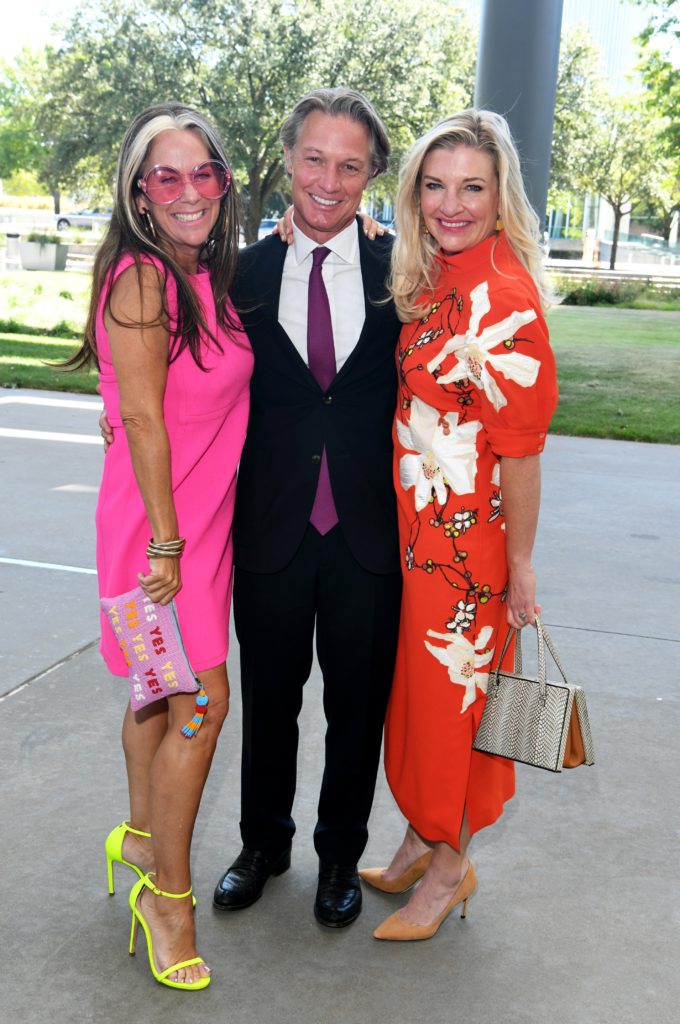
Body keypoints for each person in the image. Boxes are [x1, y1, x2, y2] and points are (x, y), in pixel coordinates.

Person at [358, 109, 558, 940]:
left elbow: (522, 455)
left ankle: (450, 866)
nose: (451, 204)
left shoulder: (504, 300)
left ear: (500, 193)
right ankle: (421, 835)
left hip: (470, 555)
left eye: (472, 187)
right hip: (421, 539)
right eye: (434, 186)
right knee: (420, 703)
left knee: (455, 713)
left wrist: (521, 566)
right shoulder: (434, 273)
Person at [212, 88, 403, 928]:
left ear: (372, 175)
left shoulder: (405, 271)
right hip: (272, 530)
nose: (328, 181)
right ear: (288, 157)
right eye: (314, 159)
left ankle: (339, 858)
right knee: (269, 705)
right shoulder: (241, 274)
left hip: (370, 535)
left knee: (356, 711)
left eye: (349, 165)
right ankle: (262, 845)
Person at [77, 102, 253, 988]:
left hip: (197, 530)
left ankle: (142, 838)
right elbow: (143, 417)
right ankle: (169, 900)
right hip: (161, 540)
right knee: (200, 705)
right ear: (139, 193)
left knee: (158, 694)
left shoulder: (201, 274)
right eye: (166, 176)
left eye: (203, 172)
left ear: (224, 182)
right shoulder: (144, 278)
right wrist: (168, 544)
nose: (189, 191)